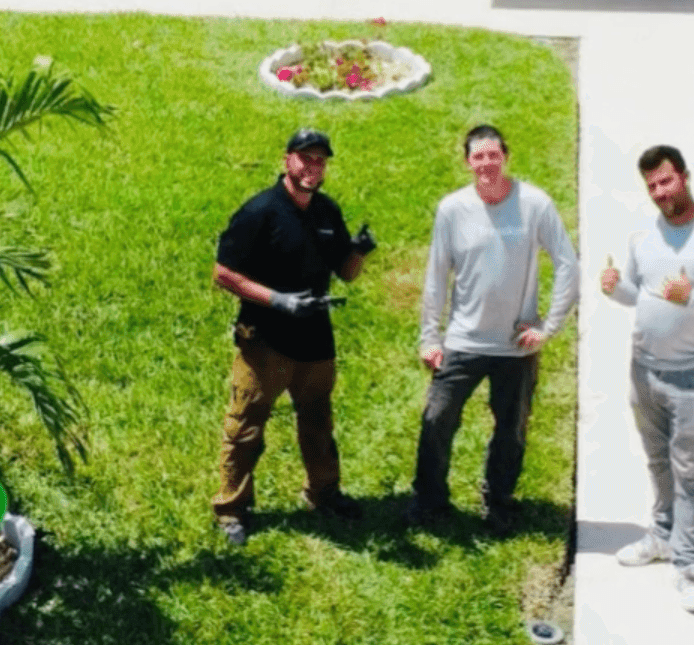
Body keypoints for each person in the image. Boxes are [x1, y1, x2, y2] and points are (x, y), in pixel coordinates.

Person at [599, 143, 694, 615]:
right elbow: (641, 295)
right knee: (657, 462)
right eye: (651, 186)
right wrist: (617, 290)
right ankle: (662, 536)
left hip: (691, 378)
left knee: (690, 474)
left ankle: (689, 567)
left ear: (684, 176)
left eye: (666, 181)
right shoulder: (643, 237)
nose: (660, 192)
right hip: (643, 369)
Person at [409, 123, 578, 532]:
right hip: (463, 341)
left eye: (493, 155)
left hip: (515, 346)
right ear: (468, 162)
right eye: (478, 156)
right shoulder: (452, 209)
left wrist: (548, 327)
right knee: (437, 419)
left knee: (512, 430)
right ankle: (430, 500)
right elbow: (436, 276)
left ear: (505, 156)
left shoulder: (534, 204)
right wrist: (430, 337)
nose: (486, 164)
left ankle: (498, 500)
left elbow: (569, 264)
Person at [210, 127, 375, 547]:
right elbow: (223, 274)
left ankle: (323, 494)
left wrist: (358, 251)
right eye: (305, 158)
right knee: (246, 426)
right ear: (288, 160)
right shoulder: (260, 212)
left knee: (318, 420)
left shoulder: (326, 212)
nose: (312, 167)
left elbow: (346, 273)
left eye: (320, 160)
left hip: (316, 340)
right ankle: (231, 508)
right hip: (265, 342)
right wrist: (277, 301)